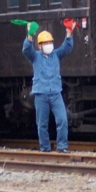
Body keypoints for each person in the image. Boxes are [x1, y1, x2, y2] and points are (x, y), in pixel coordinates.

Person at [22, 20, 75, 152]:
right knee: (42, 124)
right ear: (39, 46)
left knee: (62, 120)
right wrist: (30, 35)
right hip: (41, 94)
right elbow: (26, 49)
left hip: (56, 93)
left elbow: (67, 47)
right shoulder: (35, 57)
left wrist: (69, 31)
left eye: (50, 42)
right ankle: (45, 148)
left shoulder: (56, 55)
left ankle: (62, 147)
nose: (48, 45)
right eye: (45, 43)